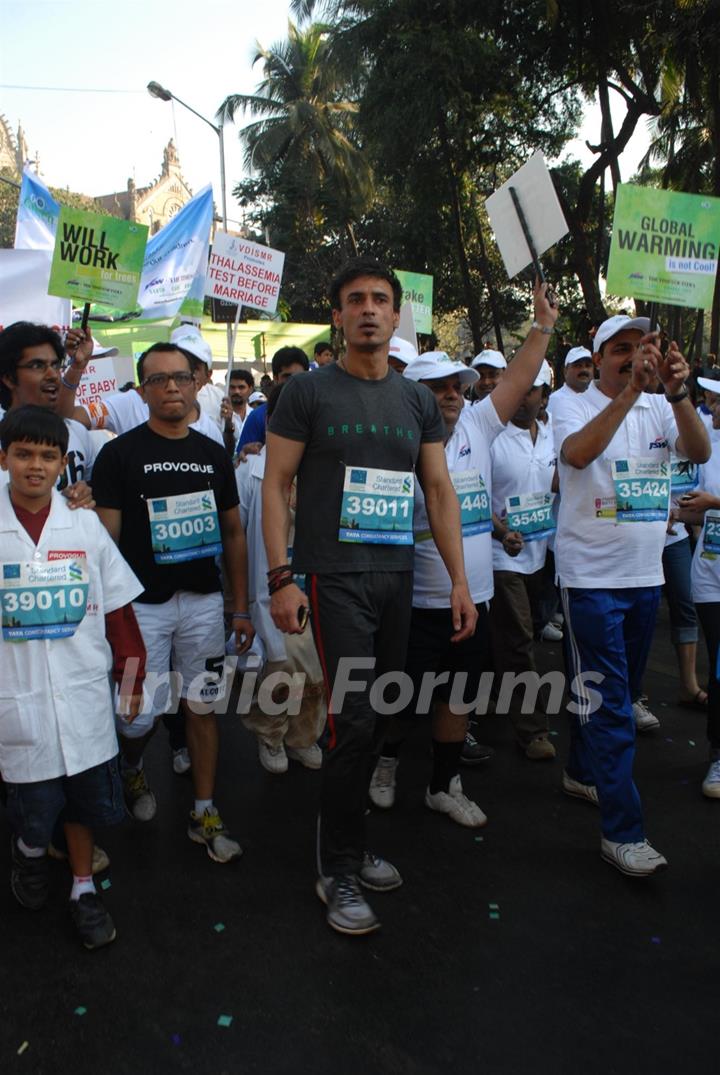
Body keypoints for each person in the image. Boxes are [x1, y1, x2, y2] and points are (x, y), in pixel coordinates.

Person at [262, 258, 476, 936]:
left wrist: (460, 579)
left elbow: (438, 491)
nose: (369, 309)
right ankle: (338, 869)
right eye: (355, 299)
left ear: (396, 313)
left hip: (398, 579)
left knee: (381, 711)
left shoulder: (416, 400)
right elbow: (275, 485)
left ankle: (349, 840)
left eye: (381, 299)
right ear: (338, 315)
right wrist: (280, 577)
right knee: (351, 719)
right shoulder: (308, 393)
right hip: (333, 577)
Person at [553, 314, 710, 876]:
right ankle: (623, 832)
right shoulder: (568, 402)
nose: (632, 357)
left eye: (641, 347)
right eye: (619, 350)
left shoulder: (663, 404)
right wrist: (631, 393)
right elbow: (576, 455)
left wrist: (678, 392)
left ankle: (579, 771)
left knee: (608, 693)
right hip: (590, 580)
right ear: (597, 360)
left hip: (647, 579)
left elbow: (698, 451)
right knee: (614, 707)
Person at [90, 342, 254, 863]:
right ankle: (133, 767)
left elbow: (233, 532)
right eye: (158, 380)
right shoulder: (118, 455)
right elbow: (107, 544)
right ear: (141, 390)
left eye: (180, 377)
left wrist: (241, 606)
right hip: (141, 610)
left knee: (202, 707)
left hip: (204, 605)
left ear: (196, 382)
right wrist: (110, 619)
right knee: (136, 720)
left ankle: (203, 809)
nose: (171, 388)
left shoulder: (211, 454)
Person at [0, 406, 146, 949]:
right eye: (22, 454)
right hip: (19, 693)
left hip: (82, 685)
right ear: (4, 458)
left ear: (63, 462)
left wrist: (132, 672)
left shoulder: (82, 522)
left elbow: (116, 608)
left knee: (85, 801)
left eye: (46, 455)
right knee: (33, 805)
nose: (34, 466)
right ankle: (30, 854)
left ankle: (83, 888)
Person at [236, 383, 325, 774]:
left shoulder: (324, 464)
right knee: (281, 671)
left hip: (319, 587)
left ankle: (302, 737)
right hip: (271, 591)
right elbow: (234, 538)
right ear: (271, 421)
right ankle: (270, 734)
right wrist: (237, 605)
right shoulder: (251, 470)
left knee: (316, 672)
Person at [488, 358, 558, 759]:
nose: (521, 396)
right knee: (518, 640)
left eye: (530, 389)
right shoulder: (492, 438)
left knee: (518, 636)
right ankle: (532, 730)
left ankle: (491, 696)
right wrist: (502, 532)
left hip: (539, 555)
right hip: (500, 557)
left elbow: (558, 484)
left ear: (544, 396)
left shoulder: (551, 436)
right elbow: (474, 497)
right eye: (517, 387)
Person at [0, 322, 96, 508]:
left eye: (55, 365)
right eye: (37, 365)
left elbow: (94, 495)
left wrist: (86, 492)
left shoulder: (77, 433)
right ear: (9, 378)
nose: (53, 375)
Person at [678, 398, 720, 796]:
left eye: (719, 401)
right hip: (709, 575)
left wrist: (715, 503)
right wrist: (672, 512)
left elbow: (711, 505)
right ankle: (718, 754)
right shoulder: (709, 446)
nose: (712, 407)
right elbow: (698, 510)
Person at [237, 347, 310, 452]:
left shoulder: (317, 413)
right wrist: (246, 452)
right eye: (287, 377)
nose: (294, 382)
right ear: (275, 379)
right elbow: (242, 459)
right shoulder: (258, 417)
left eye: (299, 376)